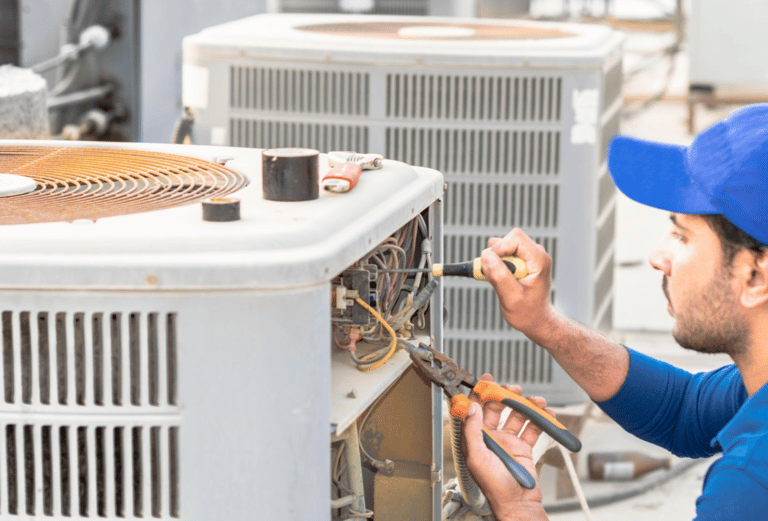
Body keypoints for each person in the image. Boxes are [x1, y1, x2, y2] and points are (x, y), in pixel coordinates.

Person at [461, 103, 768, 520]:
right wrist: (543, 322)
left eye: (682, 235)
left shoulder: (749, 486)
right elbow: (683, 410)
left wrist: (518, 508)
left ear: (755, 277)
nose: (658, 256)